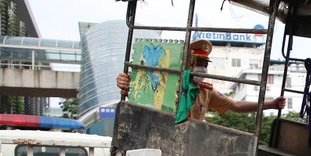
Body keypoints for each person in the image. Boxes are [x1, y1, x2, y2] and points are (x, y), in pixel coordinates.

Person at [116, 39, 285, 120]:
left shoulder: (205, 91)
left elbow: (236, 105)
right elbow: (139, 92)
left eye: (205, 64)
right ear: (188, 64)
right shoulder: (166, 82)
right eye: (198, 63)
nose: (202, 69)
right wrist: (126, 83)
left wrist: (270, 104)